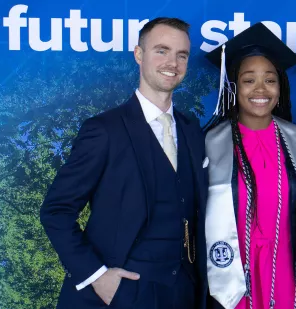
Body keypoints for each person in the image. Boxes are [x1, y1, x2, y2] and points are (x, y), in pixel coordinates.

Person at [40, 17, 209, 309]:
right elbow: (56, 211)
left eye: (181, 55)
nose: (173, 62)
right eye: (162, 50)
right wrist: (97, 277)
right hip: (118, 294)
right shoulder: (104, 130)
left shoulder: (192, 129)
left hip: (181, 293)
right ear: (139, 54)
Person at [202, 23, 296, 309]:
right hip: (231, 272)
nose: (261, 89)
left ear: (280, 86)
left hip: (285, 269)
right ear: (234, 86)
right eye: (249, 80)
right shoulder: (209, 143)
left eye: (270, 80)